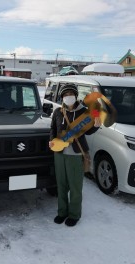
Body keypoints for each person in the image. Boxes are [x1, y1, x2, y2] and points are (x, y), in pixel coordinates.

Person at [49, 83, 101, 227]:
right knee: (61, 184)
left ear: (76, 96)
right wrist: (51, 141)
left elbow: (89, 130)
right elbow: (53, 128)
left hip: (76, 154)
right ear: (62, 97)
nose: (68, 97)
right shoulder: (58, 112)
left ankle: (74, 214)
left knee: (75, 186)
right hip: (59, 153)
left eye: (71, 94)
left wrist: (96, 125)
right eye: (65, 95)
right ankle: (62, 212)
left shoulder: (84, 112)